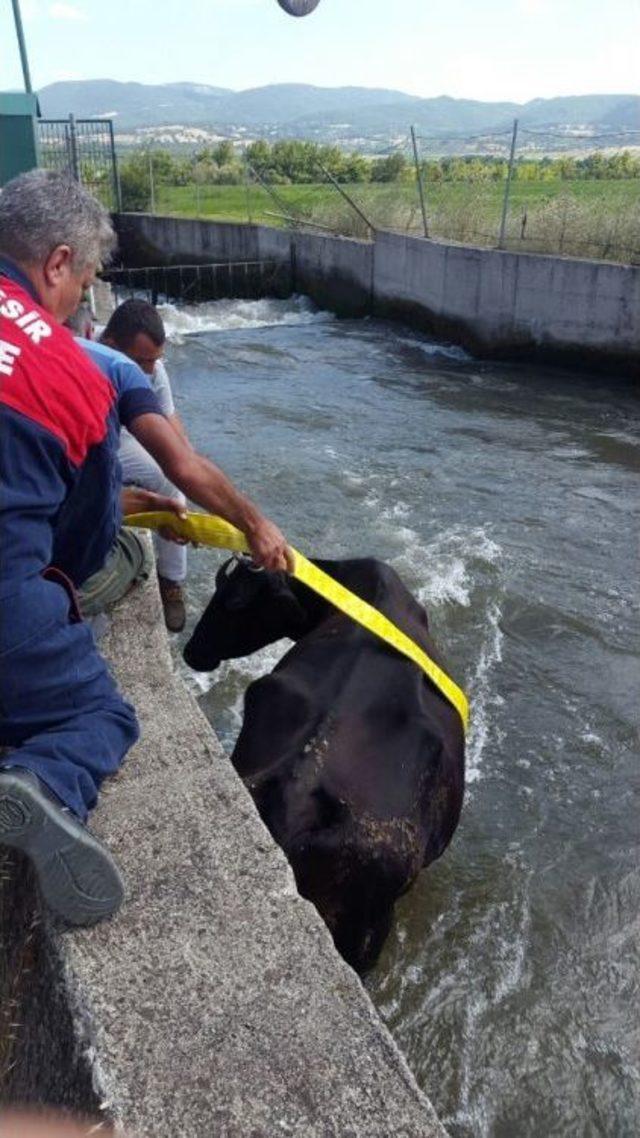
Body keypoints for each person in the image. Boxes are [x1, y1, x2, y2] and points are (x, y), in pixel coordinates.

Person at [0, 169, 290, 928]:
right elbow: (82, 537)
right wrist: (255, 525)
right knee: (101, 714)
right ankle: (40, 784)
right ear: (58, 264)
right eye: (81, 282)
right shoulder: (76, 373)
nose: (73, 309)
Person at [100, 299, 190, 632]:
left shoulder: (152, 367)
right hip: (87, 437)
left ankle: (171, 581)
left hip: (123, 438)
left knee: (173, 479)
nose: (150, 371)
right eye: (142, 362)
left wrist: (187, 460)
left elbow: (168, 416)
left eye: (155, 360)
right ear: (110, 344)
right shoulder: (84, 357)